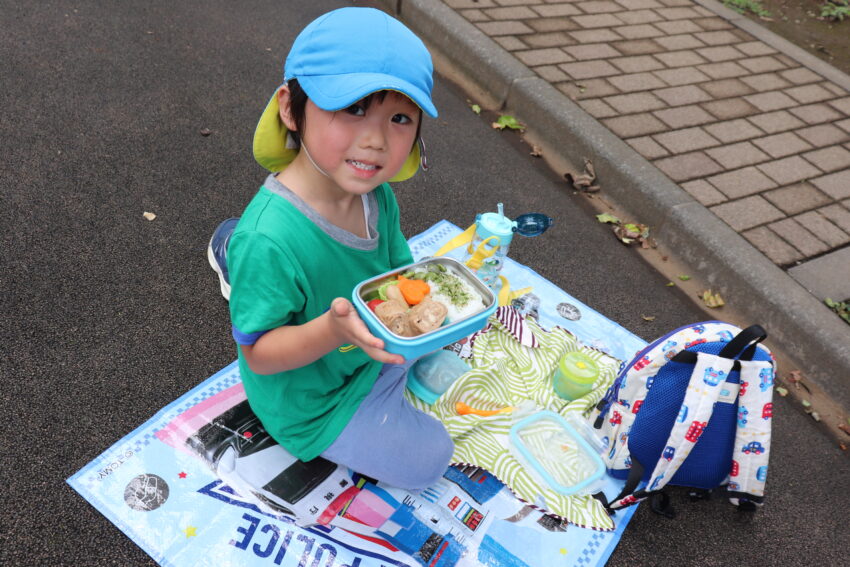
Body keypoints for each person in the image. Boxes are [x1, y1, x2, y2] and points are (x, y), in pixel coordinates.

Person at [208, 7, 453, 491]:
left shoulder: (373, 193)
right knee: (431, 460)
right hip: (313, 400)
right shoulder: (271, 238)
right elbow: (258, 355)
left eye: (400, 117)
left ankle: (228, 246)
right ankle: (234, 250)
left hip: (363, 346)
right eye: (354, 108)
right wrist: (330, 329)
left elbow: (397, 267)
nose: (376, 140)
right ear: (289, 107)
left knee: (445, 331)